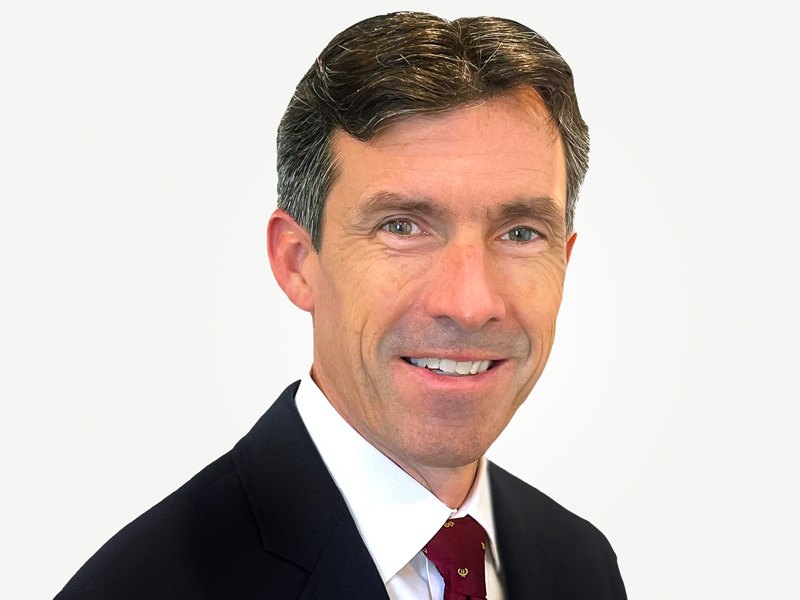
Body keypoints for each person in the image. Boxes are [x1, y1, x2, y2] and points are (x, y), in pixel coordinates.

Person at [56, 11, 626, 600]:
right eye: (402, 226)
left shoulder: (580, 565)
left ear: (565, 262)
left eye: (521, 233)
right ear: (297, 261)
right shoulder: (142, 587)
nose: (470, 303)